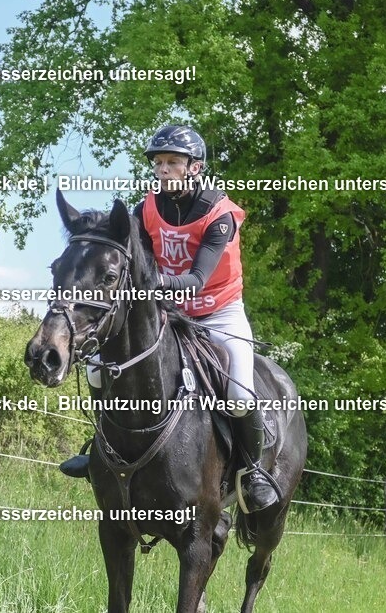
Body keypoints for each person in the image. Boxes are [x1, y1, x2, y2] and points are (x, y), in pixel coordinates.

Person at [59, 124, 280, 513]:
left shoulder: (220, 215)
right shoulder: (147, 208)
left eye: (173, 162)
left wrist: (150, 283)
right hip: (168, 308)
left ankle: (253, 471)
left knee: (241, 395)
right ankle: (100, 446)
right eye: (159, 162)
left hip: (217, 310)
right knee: (97, 369)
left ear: (195, 167)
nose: (163, 169)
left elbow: (195, 280)